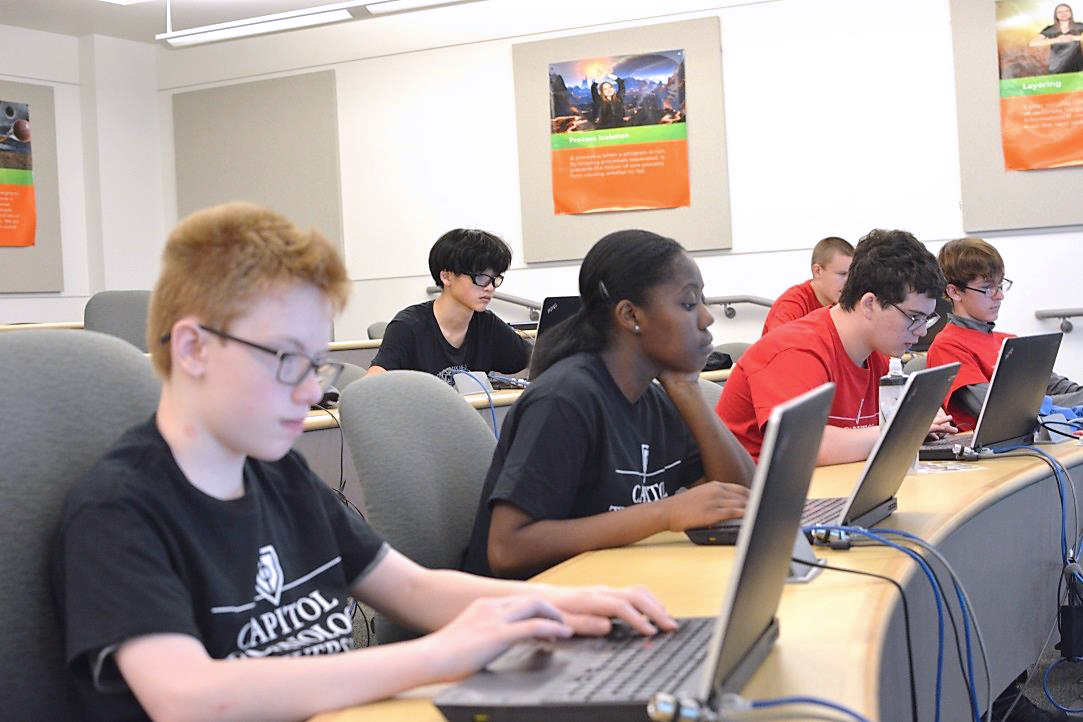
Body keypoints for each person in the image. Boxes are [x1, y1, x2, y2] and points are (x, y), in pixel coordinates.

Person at [49, 203, 677, 721]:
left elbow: (413, 588)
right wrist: (443, 655)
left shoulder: (279, 475)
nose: (309, 390)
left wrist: (561, 607)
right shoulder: (121, 509)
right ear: (192, 348)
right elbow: (187, 698)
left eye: (317, 363)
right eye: (288, 360)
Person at [461, 229, 756, 580]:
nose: (706, 318)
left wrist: (687, 387)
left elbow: (745, 499)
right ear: (631, 315)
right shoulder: (564, 401)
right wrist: (664, 513)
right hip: (524, 612)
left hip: (607, 592)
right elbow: (508, 549)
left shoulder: (657, 398)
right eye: (689, 304)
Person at [717, 229, 957, 465]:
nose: (922, 331)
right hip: (755, 498)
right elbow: (806, 446)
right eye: (914, 317)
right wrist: (907, 427)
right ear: (869, 304)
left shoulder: (875, 354)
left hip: (826, 490)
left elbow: (895, 421)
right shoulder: (793, 350)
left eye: (927, 319)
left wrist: (921, 418)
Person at [927, 236, 1083, 431]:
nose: (999, 296)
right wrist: (1061, 405)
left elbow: (1059, 387)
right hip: (990, 456)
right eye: (987, 288)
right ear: (955, 292)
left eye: (999, 285)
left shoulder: (1008, 341)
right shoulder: (947, 346)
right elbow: (999, 411)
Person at [367, 228, 532, 385]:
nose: (490, 287)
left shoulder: (486, 324)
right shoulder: (408, 326)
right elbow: (372, 383)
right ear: (447, 277)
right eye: (481, 277)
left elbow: (535, 359)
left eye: (495, 278)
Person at [761, 236, 854, 335]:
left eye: (852, 274)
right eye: (842, 274)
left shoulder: (850, 302)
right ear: (817, 271)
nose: (849, 282)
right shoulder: (791, 304)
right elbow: (779, 346)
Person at [1030, 3, 1083, 74]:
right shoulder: (1051, 29)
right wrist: (1057, 39)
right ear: (1056, 15)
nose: (1063, 13)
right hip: (1057, 67)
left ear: (1071, 13)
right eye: (1060, 12)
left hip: (1077, 65)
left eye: (1066, 11)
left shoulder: (1079, 26)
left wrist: (1074, 37)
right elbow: (1033, 43)